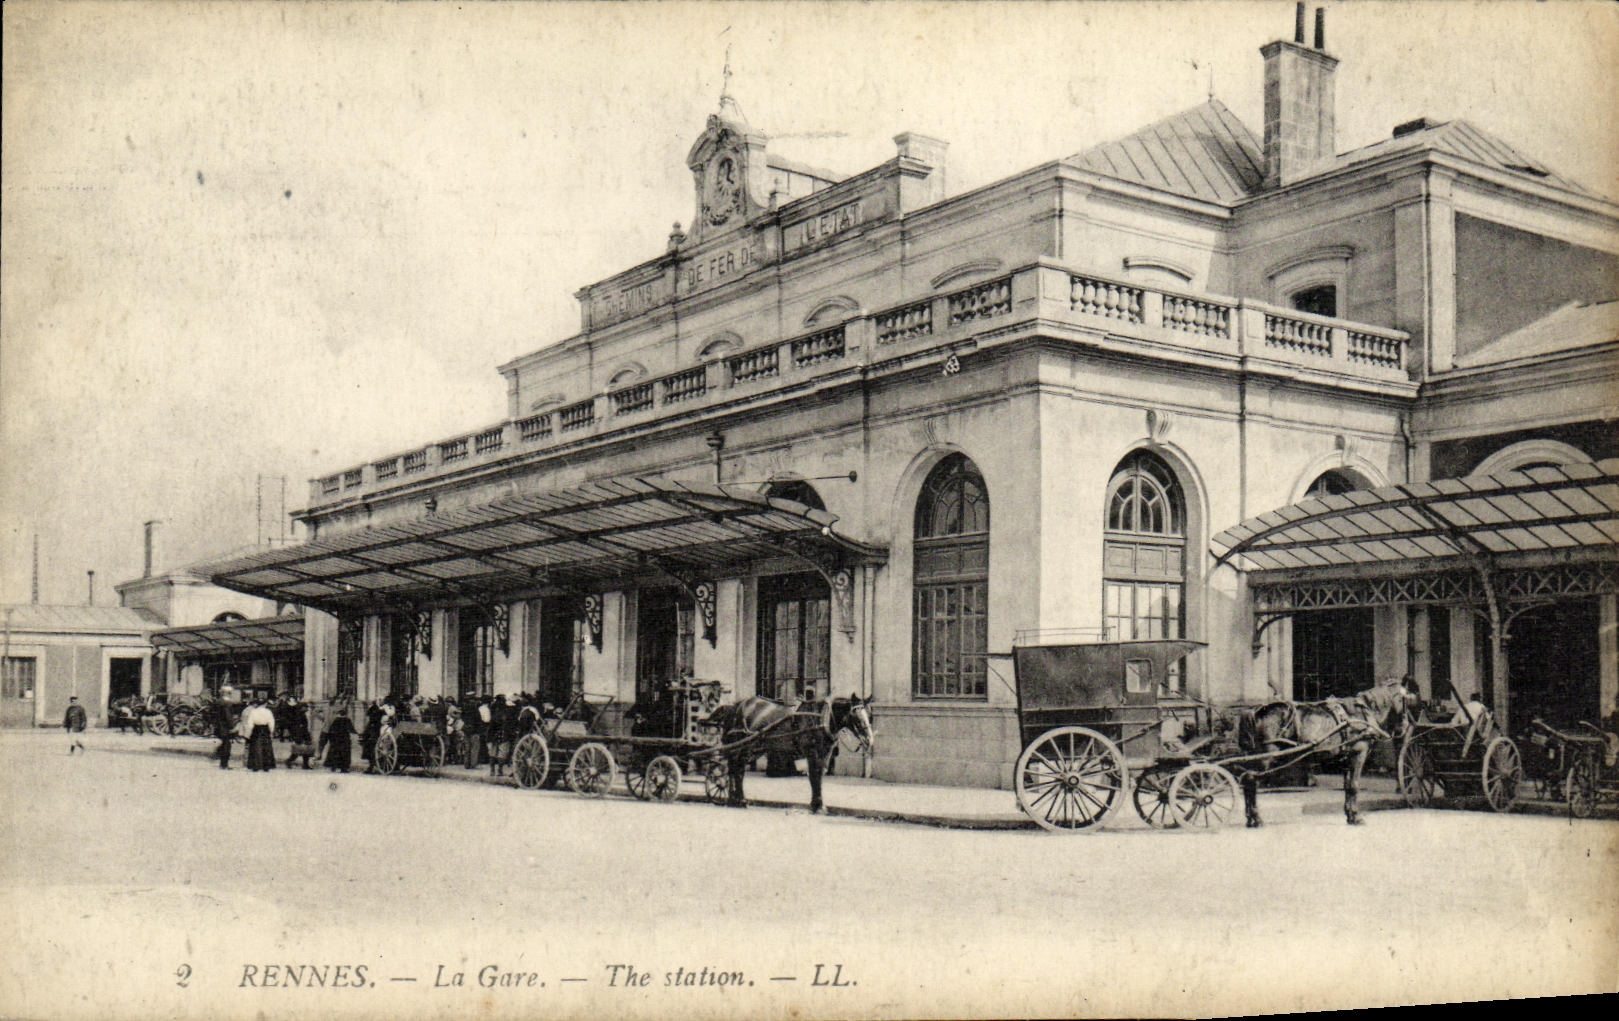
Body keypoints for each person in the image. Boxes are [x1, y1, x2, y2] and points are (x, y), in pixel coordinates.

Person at [243, 698, 277, 772]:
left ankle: (255, 765)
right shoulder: (268, 712)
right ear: (265, 704)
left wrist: (249, 732)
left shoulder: (253, 712)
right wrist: (271, 731)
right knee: (266, 747)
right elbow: (271, 722)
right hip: (265, 729)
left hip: (256, 729)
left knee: (255, 747)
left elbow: (250, 723)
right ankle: (266, 766)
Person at [319, 708, 356, 773]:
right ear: (345, 714)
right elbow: (351, 729)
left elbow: (331, 730)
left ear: (339, 714)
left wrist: (331, 738)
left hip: (336, 740)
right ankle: (343, 768)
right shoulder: (347, 720)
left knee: (334, 753)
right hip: (344, 739)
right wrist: (357, 733)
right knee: (344, 754)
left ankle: (333, 767)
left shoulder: (336, 720)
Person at [284, 700, 315, 769]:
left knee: (304, 750)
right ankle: (290, 761)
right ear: (302, 708)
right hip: (300, 734)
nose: (307, 709)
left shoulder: (301, 714)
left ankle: (304, 764)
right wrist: (300, 736)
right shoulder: (299, 715)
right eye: (306, 707)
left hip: (303, 734)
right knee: (299, 750)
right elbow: (299, 726)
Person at [212, 695, 236, 770]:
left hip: (219, 727)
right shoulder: (227, 705)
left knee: (224, 744)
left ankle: (221, 761)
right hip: (225, 728)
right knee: (227, 745)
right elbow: (228, 718)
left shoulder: (218, 703)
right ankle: (224, 764)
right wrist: (232, 727)